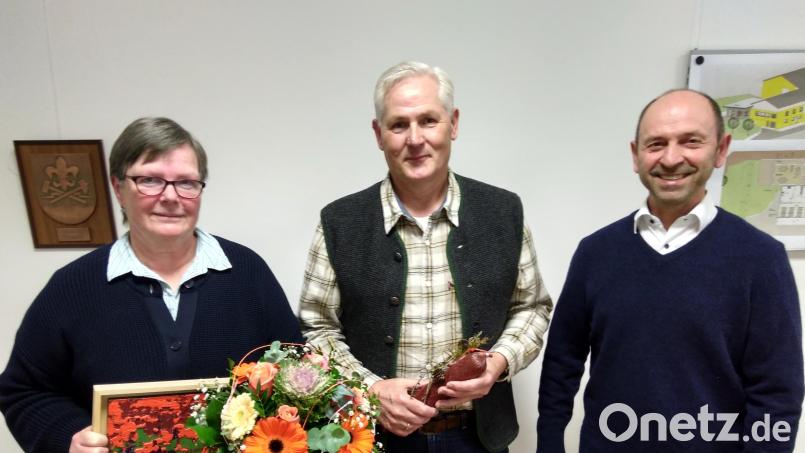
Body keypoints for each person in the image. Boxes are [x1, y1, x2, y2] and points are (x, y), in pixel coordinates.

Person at [0, 117, 303, 453]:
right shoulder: (72, 287)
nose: (171, 196)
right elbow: (23, 391)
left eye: (186, 182)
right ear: (118, 189)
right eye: (150, 180)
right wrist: (67, 437)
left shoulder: (247, 272)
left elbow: (297, 369)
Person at [298, 61, 553, 453]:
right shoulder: (339, 222)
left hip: (479, 439)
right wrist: (372, 390)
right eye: (399, 125)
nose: (415, 139)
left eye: (428, 121)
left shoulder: (503, 212)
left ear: (453, 124)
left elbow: (532, 307)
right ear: (378, 134)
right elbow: (317, 328)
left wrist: (499, 362)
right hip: (372, 438)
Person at [536, 89, 804, 452]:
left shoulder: (761, 259)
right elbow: (561, 362)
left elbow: (777, 394)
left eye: (691, 141)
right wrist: (549, 443)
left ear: (721, 150)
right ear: (636, 156)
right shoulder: (595, 253)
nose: (672, 158)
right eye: (656, 144)